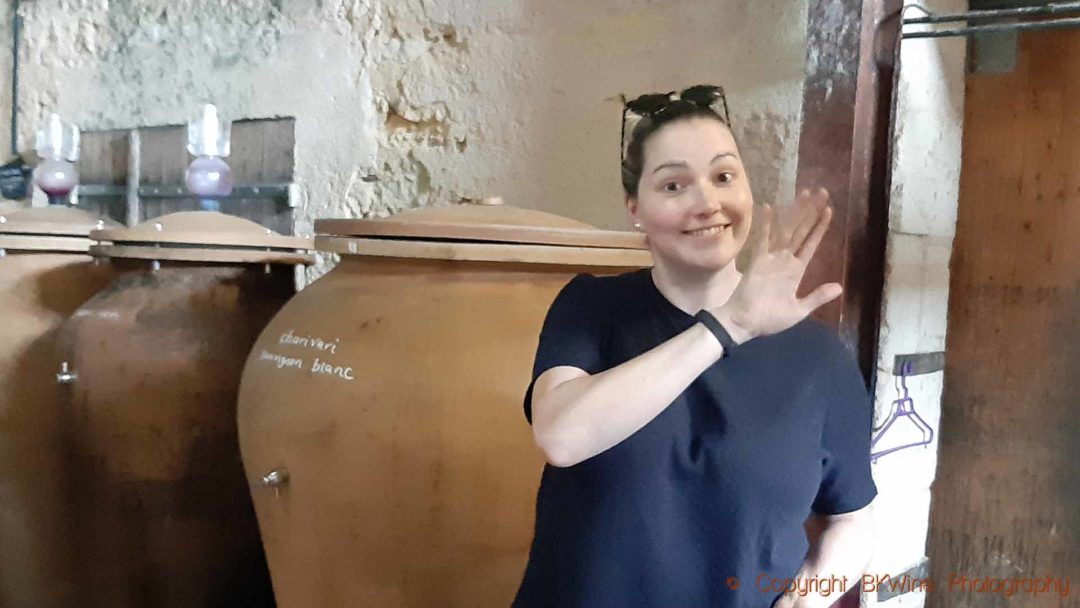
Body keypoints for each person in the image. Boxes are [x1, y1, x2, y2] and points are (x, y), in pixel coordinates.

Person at [512, 85, 878, 608]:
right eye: (674, 185)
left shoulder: (819, 359)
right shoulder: (592, 307)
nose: (707, 202)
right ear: (635, 207)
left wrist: (806, 602)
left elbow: (852, 520)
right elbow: (562, 437)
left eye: (724, 176)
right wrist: (728, 325)